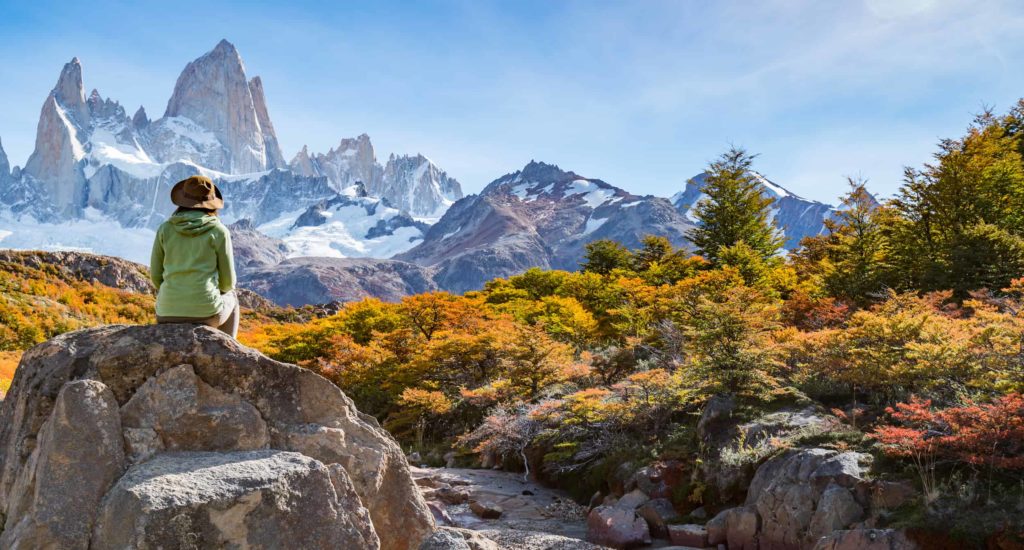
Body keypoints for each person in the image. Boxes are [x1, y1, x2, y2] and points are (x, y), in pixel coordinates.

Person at [150, 175, 239, 337]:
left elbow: (156, 278)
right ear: (211, 204)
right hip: (207, 313)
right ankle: (229, 350)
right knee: (232, 296)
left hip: (166, 312)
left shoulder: (165, 229)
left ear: (181, 202)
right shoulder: (219, 231)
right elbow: (228, 283)